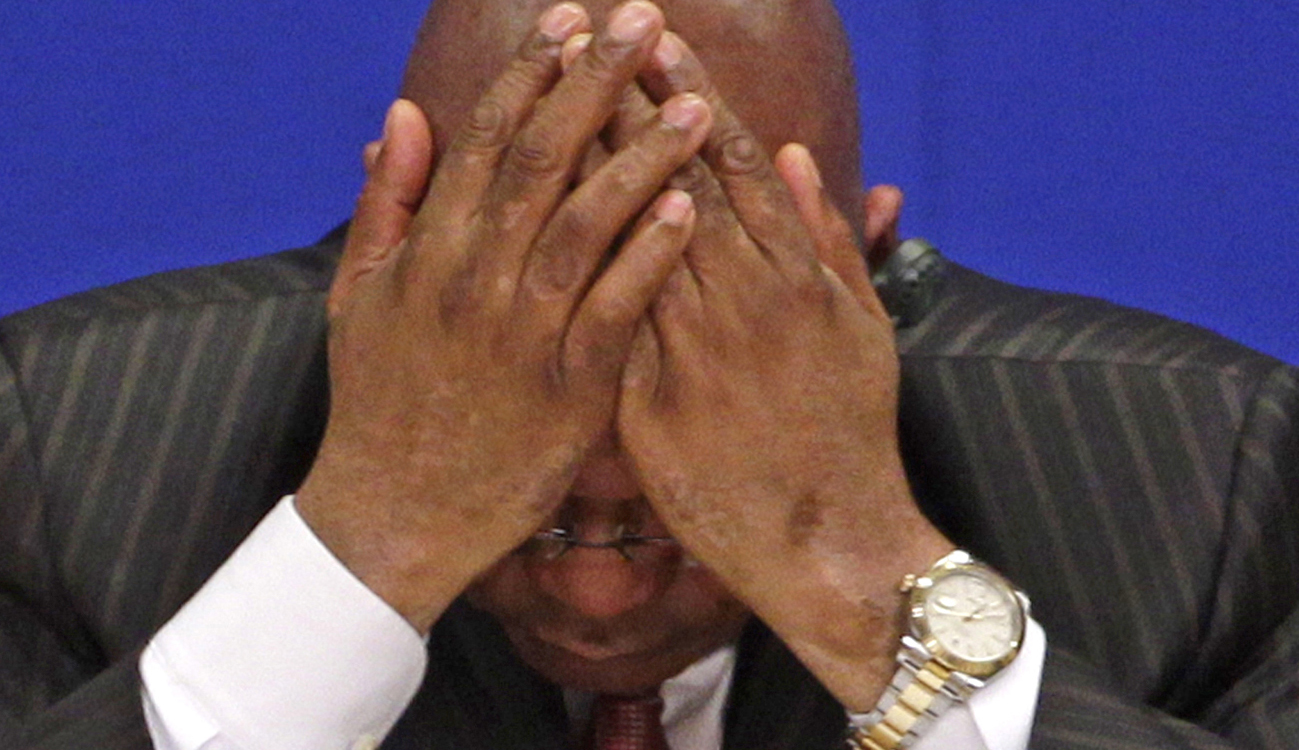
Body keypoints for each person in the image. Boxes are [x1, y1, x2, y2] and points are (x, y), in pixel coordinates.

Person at [1, 1, 1295, 749]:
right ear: (375, 286)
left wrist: (864, 578)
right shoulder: (56, 455)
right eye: (525, 371)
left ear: (875, 289)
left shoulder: (1208, 483)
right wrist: (370, 540)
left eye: (690, 366)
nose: (599, 581)